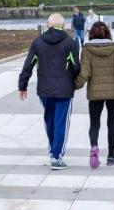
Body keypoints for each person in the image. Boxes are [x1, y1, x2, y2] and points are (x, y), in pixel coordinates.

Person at [18, 13, 80, 170]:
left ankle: (53, 152)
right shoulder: (70, 43)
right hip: (64, 90)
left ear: (47, 24)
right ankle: (56, 157)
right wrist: (74, 80)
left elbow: (28, 65)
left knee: (49, 121)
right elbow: (76, 67)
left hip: (44, 90)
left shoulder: (37, 42)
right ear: (64, 25)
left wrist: (22, 86)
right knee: (61, 123)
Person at [75, 21, 114, 169]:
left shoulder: (87, 50)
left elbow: (85, 73)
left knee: (95, 124)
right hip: (113, 93)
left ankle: (94, 147)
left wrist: (74, 86)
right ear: (108, 33)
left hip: (95, 94)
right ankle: (111, 156)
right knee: (111, 123)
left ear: (91, 34)